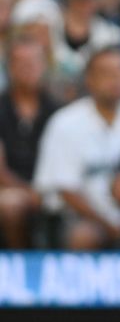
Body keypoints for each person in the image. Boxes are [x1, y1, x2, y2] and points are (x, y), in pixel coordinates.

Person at [34, 46, 120, 249]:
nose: (116, 80)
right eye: (107, 74)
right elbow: (65, 190)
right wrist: (109, 225)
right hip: (82, 217)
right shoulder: (65, 121)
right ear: (89, 79)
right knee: (84, 235)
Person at [0, 36, 60, 248]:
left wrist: (43, 192)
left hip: (55, 189)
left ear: (44, 66)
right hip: (12, 189)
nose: (28, 69)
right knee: (10, 204)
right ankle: (20, 262)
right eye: (21, 63)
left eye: (33, 62)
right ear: (9, 67)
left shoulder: (59, 110)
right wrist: (29, 193)